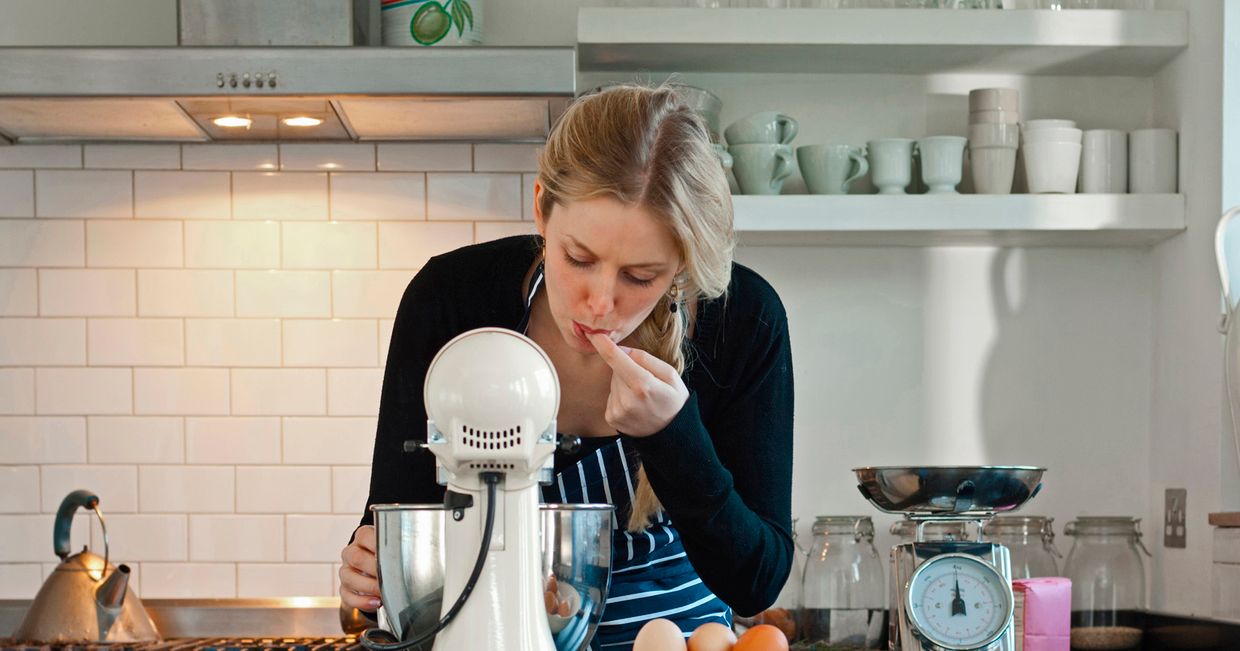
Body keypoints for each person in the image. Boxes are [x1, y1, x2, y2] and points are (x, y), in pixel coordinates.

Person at [339, 81, 795, 650]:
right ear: (541, 209)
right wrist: (369, 567)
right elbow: (402, 530)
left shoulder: (743, 320)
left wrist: (673, 436)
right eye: (578, 258)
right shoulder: (451, 302)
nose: (600, 303)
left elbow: (754, 583)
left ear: (681, 264)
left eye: (641, 276)